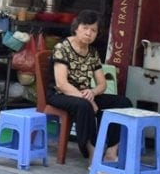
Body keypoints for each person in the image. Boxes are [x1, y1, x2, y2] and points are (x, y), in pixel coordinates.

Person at [46, 9, 132, 162]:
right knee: (84, 106)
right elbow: (61, 84)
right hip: (59, 94)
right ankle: (93, 154)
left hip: (84, 95)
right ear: (76, 28)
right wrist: (88, 99)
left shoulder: (92, 52)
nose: (88, 33)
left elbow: (102, 84)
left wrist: (92, 92)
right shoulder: (62, 48)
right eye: (85, 28)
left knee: (123, 103)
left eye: (93, 30)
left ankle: (111, 152)